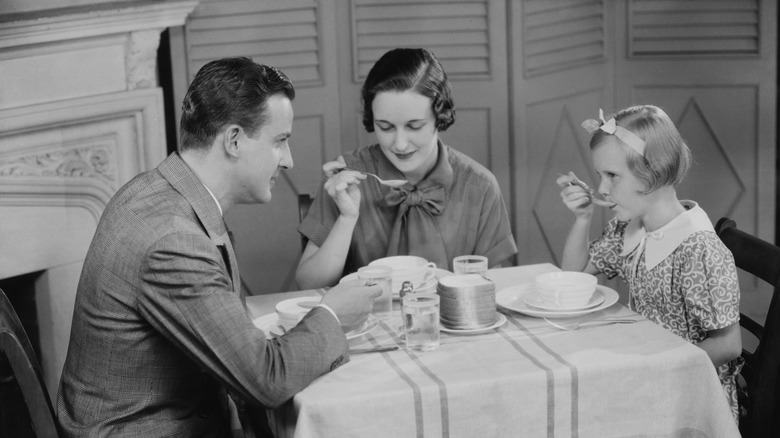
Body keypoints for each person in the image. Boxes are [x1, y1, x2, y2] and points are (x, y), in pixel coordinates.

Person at [56, 57, 381, 437]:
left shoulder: (160, 192)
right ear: (234, 140)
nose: (289, 161)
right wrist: (332, 313)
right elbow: (265, 382)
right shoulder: (174, 241)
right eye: (280, 141)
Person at [556, 105, 742, 421]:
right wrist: (582, 218)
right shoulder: (631, 227)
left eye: (612, 175)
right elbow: (573, 278)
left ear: (653, 173)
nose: (601, 188)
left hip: (691, 396)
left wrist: (651, 366)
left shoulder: (698, 248)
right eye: (600, 175)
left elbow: (728, 344)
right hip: (645, 374)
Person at [295, 48, 517, 289]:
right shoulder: (348, 179)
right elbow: (308, 284)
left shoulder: (479, 186)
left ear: (439, 118)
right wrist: (347, 218)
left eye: (414, 126)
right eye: (386, 127)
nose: (399, 144)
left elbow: (494, 287)